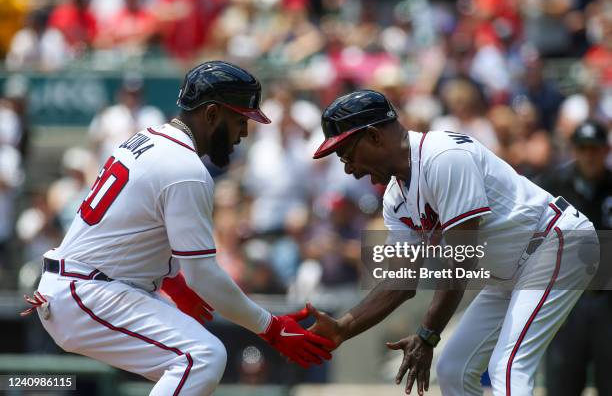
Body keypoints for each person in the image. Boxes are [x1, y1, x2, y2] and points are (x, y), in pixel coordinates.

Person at [21, 61, 334, 396]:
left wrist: (173, 281)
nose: (244, 132)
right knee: (202, 357)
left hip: (88, 285)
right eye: (239, 119)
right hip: (87, 291)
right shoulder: (186, 169)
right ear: (212, 114)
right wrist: (271, 328)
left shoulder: (145, 140)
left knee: (194, 357)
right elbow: (205, 276)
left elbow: (133, 227)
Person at [307, 89, 598, 395]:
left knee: (508, 365)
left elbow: (461, 259)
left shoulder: (443, 156)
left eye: (347, 154)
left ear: (375, 136)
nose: (349, 169)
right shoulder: (395, 198)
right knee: (453, 368)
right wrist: (343, 327)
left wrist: (428, 333)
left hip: (555, 242)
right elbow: (401, 283)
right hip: (510, 270)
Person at [539, 120, 612, 396]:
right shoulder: (554, 186)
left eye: (595, 148)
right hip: (566, 301)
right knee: (562, 382)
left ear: (606, 150)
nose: (589, 155)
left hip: (607, 299)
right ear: (574, 150)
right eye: (583, 148)